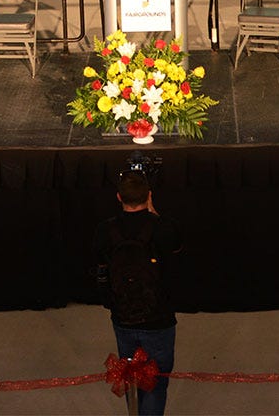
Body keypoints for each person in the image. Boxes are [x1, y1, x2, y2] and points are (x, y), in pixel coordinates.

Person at [94, 167, 182, 415]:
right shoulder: (164, 228)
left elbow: (101, 270)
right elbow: (176, 252)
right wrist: (155, 214)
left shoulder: (105, 230)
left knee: (131, 377)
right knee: (156, 381)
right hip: (159, 318)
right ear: (149, 196)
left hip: (123, 316)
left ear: (119, 197)